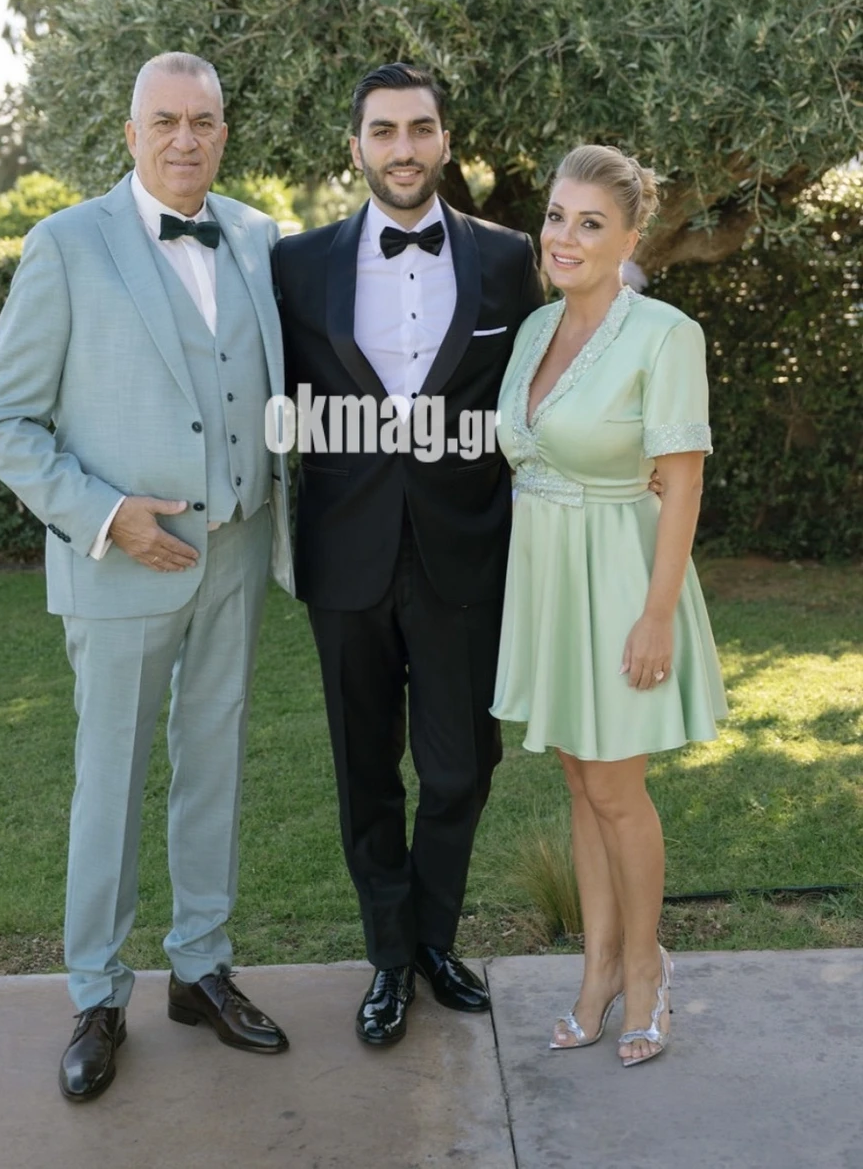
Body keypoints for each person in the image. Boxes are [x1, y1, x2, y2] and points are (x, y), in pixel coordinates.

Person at [0, 52, 294, 1102]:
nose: (185, 139)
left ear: (224, 133)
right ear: (131, 134)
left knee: (217, 762)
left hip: (235, 551)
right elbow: (3, 421)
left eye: (203, 121)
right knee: (108, 779)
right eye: (165, 121)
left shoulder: (258, 236)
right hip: (119, 564)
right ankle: (97, 993)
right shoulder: (66, 243)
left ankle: (200, 968)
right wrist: (107, 515)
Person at [273, 62, 542, 1046]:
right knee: (364, 768)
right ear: (355, 146)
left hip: (463, 552)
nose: (402, 148)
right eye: (382, 131)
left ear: (444, 140)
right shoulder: (295, 265)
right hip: (344, 553)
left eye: (419, 128)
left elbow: (542, 382)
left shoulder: (507, 257)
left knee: (461, 765)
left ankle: (434, 936)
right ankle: (391, 955)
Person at [491, 143, 727, 1066]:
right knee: (581, 785)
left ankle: (645, 967)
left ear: (631, 238)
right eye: (557, 215)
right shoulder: (532, 330)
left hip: (624, 582)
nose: (566, 235)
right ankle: (595, 968)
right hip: (550, 584)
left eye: (591, 223)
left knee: (619, 792)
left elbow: (683, 481)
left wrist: (657, 613)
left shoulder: (666, 333)